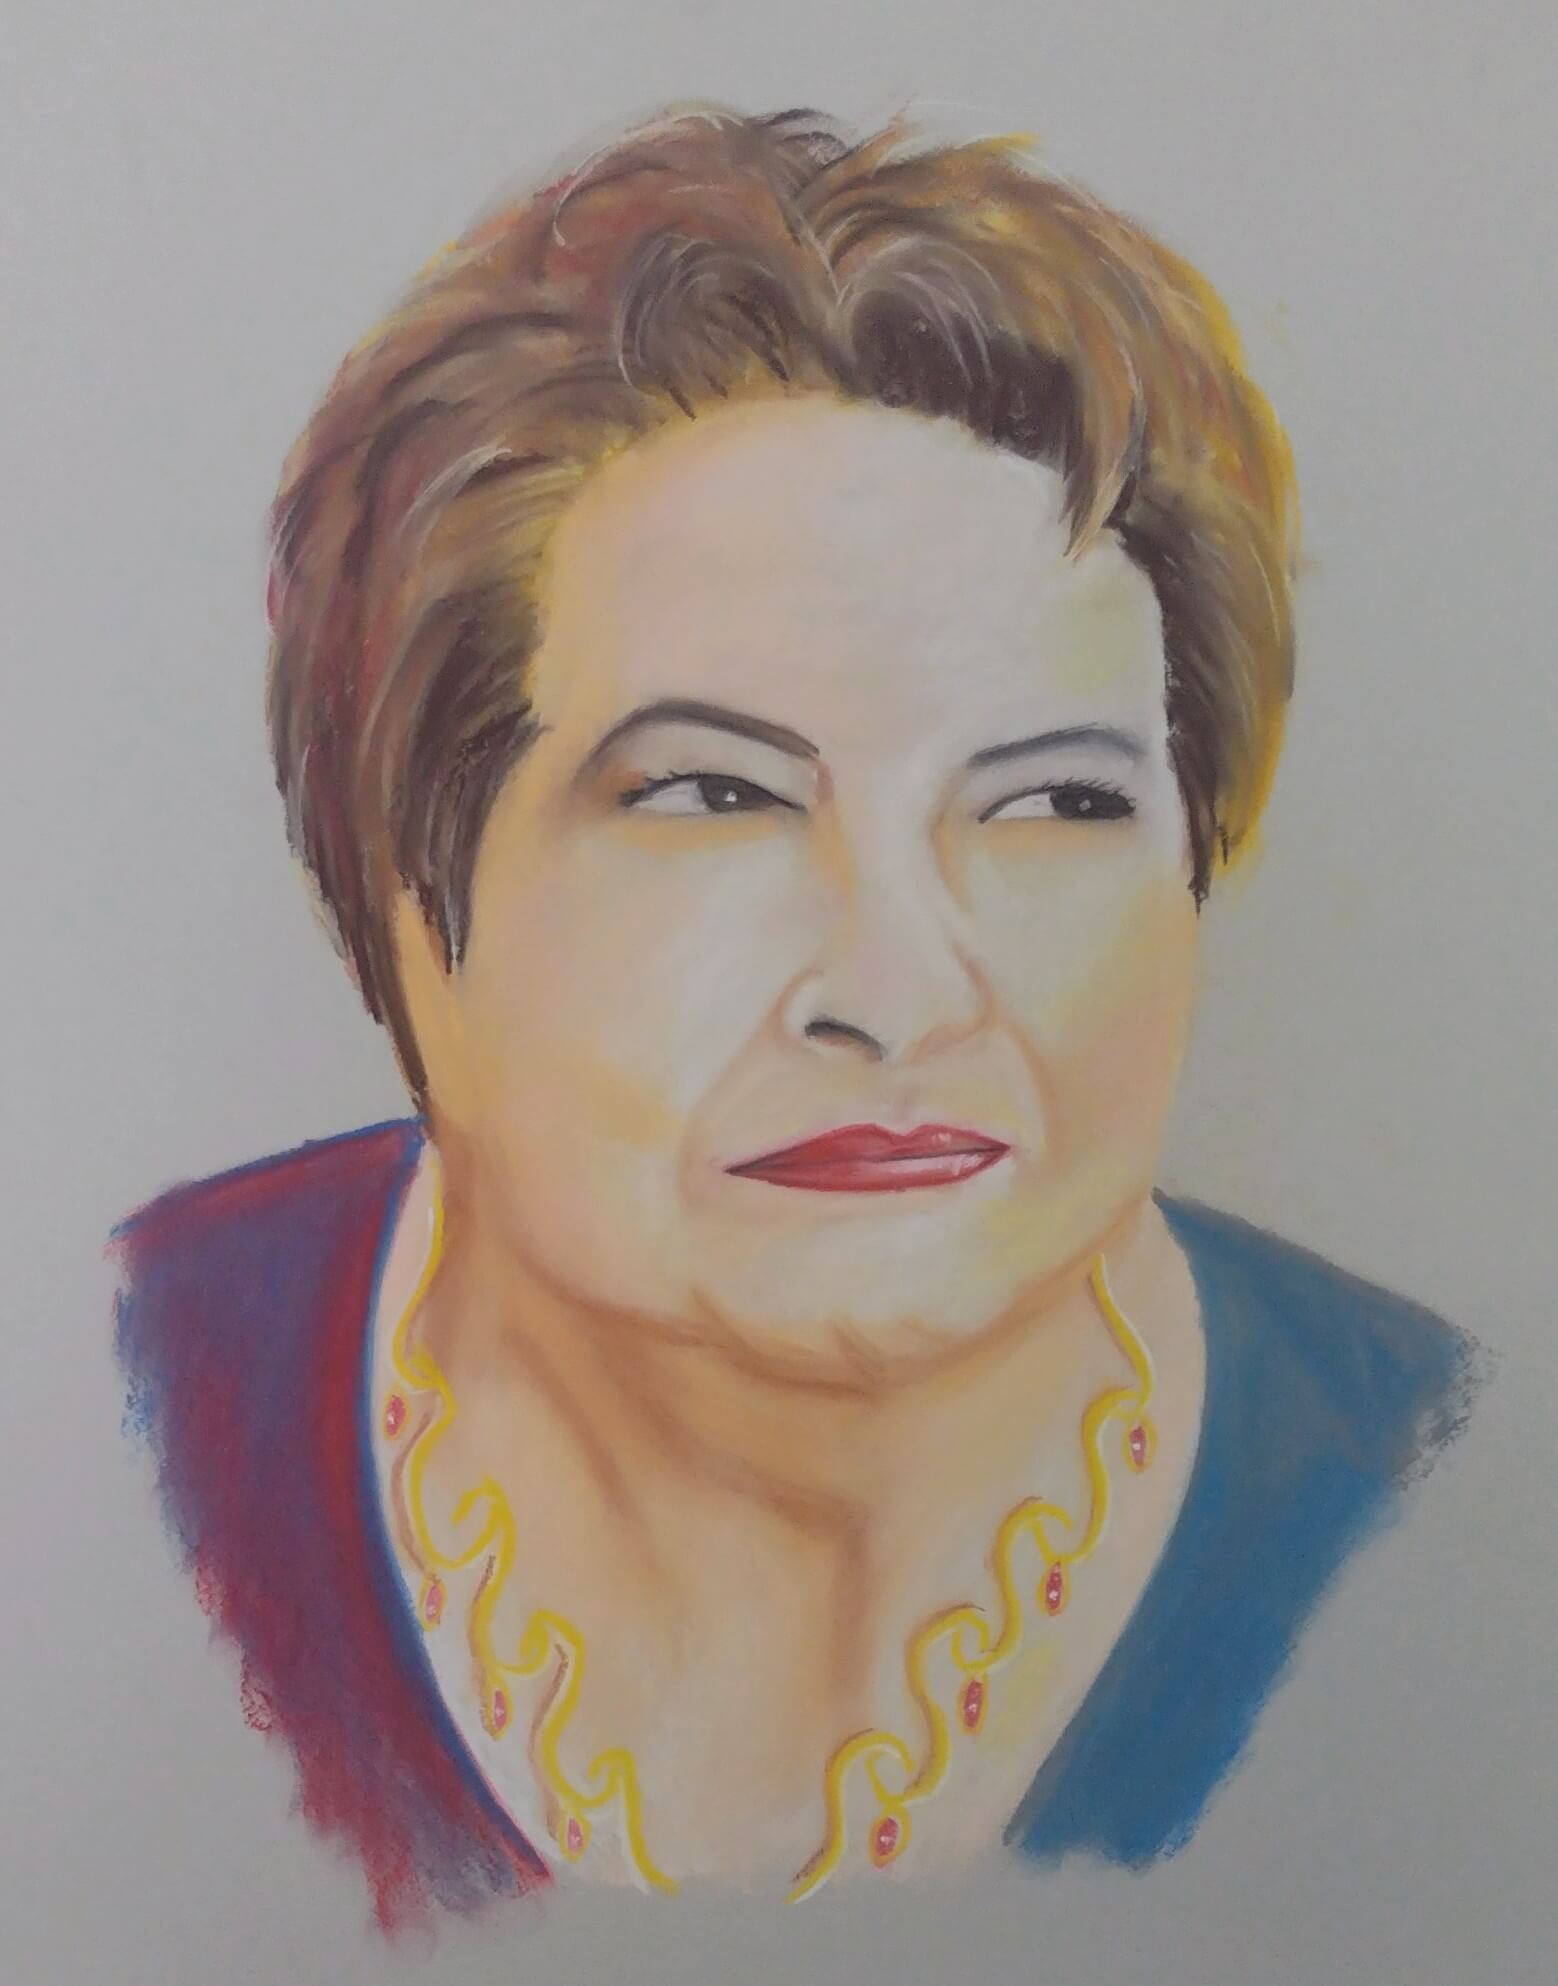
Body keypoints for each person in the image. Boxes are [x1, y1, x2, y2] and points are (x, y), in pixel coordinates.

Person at [113, 105, 1475, 1935]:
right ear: (407, 896)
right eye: (712, 796)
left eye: (1052, 803)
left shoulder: (1422, 1487)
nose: (898, 992)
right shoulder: (131, 1407)